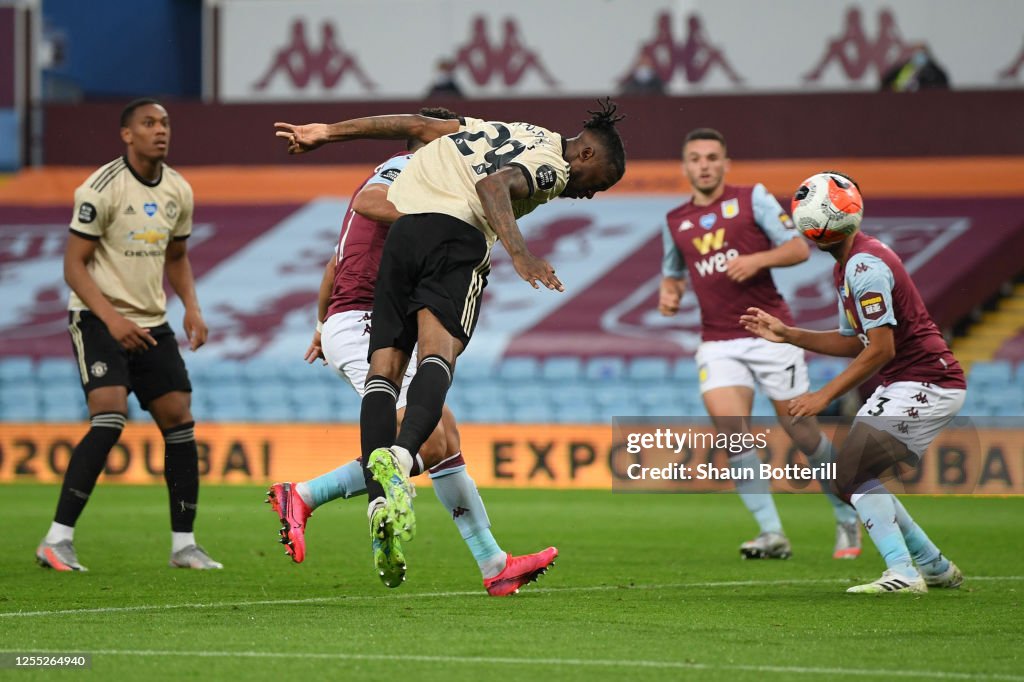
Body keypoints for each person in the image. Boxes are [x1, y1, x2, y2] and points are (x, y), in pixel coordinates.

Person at [275, 99, 625, 583]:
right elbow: (380, 201)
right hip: (377, 297)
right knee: (430, 405)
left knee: (441, 432)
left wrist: (321, 325)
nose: (591, 195)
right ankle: (330, 492)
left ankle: (490, 561)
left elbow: (336, 261)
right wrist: (516, 252)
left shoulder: (507, 132)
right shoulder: (421, 167)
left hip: (363, 300)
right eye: (600, 184)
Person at [741, 170, 965, 594]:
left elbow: (881, 350)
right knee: (852, 478)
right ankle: (933, 566)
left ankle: (903, 572)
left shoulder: (864, 267)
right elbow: (855, 343)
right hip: (910, 380)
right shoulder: (851, 264)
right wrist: (790, 334)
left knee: (850, 474)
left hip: (927, 381)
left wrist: (821, 396)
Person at [36, 98, 220, 572]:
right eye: (148, 123)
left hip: (152, 323)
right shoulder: (100, 189)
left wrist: (192, 308)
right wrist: (114, 321)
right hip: (98, 320)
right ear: (127, 134)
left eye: (164, 123)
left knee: (179, 420)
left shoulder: (179, 190)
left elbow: (176, 258)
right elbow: (73, 266)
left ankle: (184, 545)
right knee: (109, 415)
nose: (160, 131)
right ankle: (57, 540)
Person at [659, 128, 861, 560]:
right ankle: (772, 533)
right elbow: (673, 271)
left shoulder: (752, 198)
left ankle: (846, 515)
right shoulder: (675, 220)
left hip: (770, 332)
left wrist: (757, 260)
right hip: (717, 340)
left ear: (726, 162)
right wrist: (670, 292)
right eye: (696, 158)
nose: (705, 165)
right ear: (686, 166)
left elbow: (798, 249)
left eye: (712, 157)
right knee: (733, 435)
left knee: (803, 434)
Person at [880, 43, 950, 91]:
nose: (919, 56)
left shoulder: (933, 71)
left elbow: (944, 83)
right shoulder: (904, 68)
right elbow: (886, 81)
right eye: (916, 52)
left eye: (922, 53)